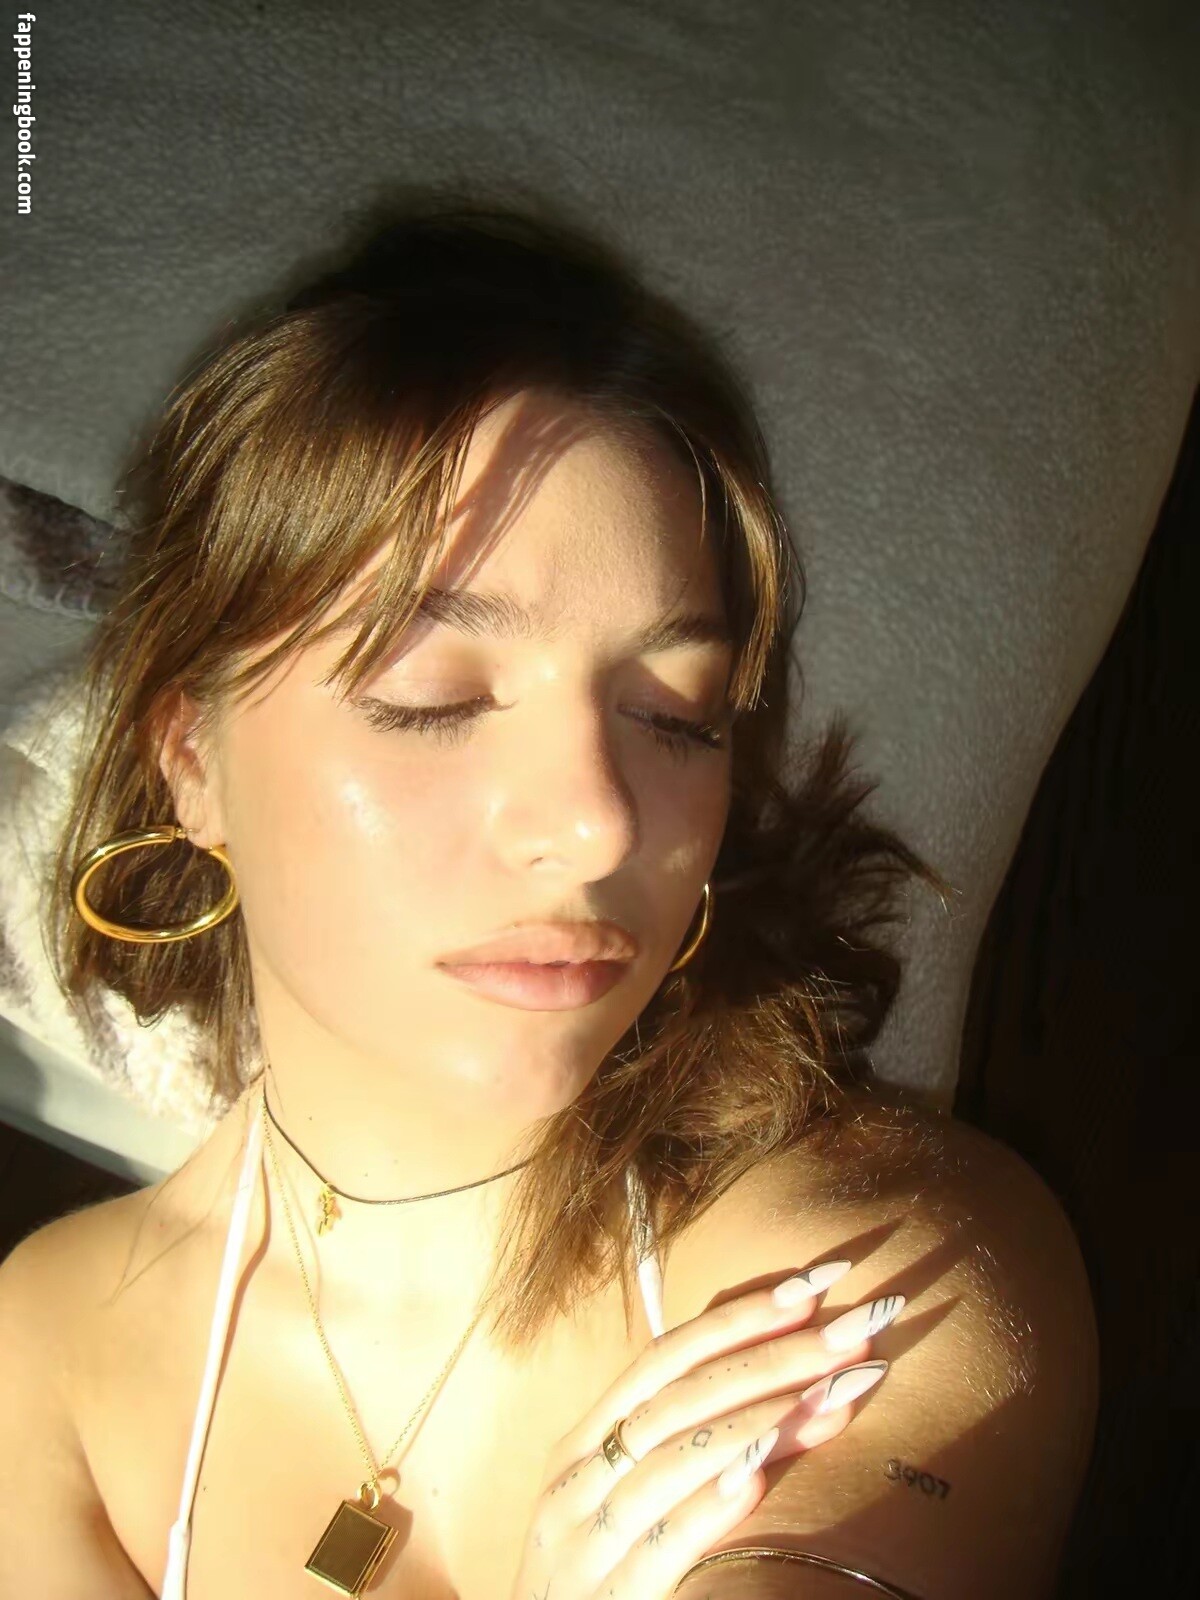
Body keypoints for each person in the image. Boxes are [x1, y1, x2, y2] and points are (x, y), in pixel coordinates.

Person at [2, 195, 1096, 1599]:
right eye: (433, 698)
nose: (595, 822)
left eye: (677, 715)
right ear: (192, 759)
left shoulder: (859, 1273)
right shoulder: (52, 1357)